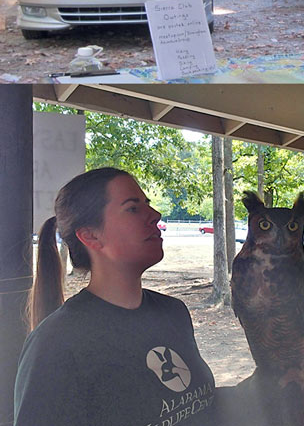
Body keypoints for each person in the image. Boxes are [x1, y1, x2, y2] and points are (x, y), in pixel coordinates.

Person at [15, 168, 216, 426]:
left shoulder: (173, 312)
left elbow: (200, 408)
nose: (155, 215)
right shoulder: (54, 345)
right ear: (90, 236)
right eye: (133, 208)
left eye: (149, 205)